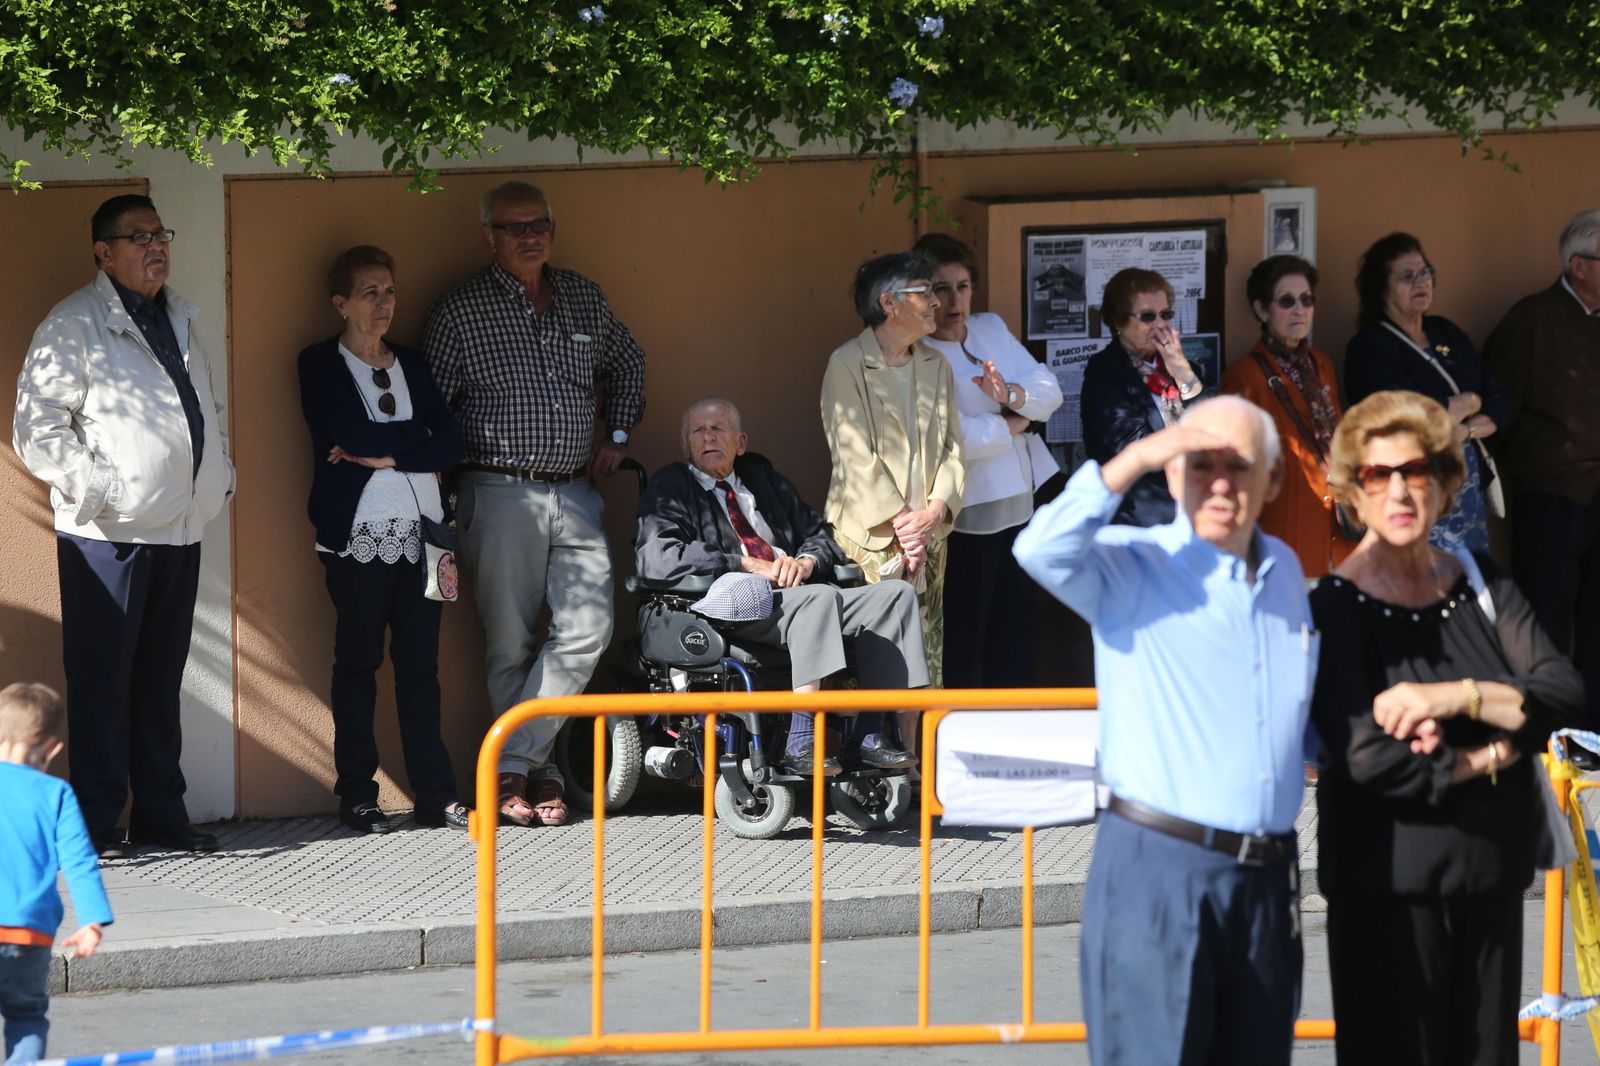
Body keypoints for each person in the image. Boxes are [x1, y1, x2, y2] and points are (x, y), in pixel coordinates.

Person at [1014, 395, 1308, 1065]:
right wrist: (1140, 454)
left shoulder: (1285, 570)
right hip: (1159, 870)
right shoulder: (1132, 562)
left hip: (1265, 877)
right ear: (1173, 474)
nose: (1222, 484)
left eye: (1240, 466)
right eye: (1200, 464)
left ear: (1272, 479)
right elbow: (1038, 548)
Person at [1309, 390, 1583, 1064]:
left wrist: (1451, 696)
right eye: (1379, 474)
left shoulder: (1478, 581)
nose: (1401, 489)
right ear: (1353, 490)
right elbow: (1368, 758)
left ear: (1446, 482)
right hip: (1385, 886)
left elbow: (1559, 692)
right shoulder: (1334, 605)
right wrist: (1495, 751)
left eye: (1419, 470)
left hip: (1488, 874)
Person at [13, 194, 235, 858]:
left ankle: (162, 815)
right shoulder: (73, 323)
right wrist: (102, 489)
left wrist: (218, 475)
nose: (155, 245)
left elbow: (205, 407)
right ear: (103, 253)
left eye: (160, 232)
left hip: (179, 527)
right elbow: (36, 428)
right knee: (104, 683)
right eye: (138, 237)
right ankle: (98, 825)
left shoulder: (180, 316)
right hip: (106, 535)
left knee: (159, 682)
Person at [424, 180, 646, 830]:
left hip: (576, 489)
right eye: (515, 227)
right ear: (489, 235)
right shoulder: (459, 311)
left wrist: (619, 436)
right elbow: (433, 409)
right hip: (497, 489)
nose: (530, 236)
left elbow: (629, 361)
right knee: (511, 644)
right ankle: (540, 776)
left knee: (588, 629)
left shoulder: (582, 296)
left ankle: (510, 764)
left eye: (539, 224)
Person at [636, 398, 924, 772]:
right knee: (818, 597)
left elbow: (821, 537)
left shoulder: (764, 481)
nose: (708, 437)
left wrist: (806, 562)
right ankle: (801, 742)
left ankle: (869, 735)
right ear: (685, 444)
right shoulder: (671, 486)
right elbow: (657, 557)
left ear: (740, 442)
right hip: (731, 606)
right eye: (699, 430)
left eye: (718, 429)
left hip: (796, 596)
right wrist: (746, 563)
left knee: (895, 596)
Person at [299, 246, 470, 835]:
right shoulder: (319, 364)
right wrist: (414, 440)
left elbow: (452, 441)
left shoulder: (415, 366)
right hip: (359, 538)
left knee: (421, 667)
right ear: (341, 303)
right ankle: (358, 794)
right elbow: (346, 431)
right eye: (370, 292)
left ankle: (435, 794)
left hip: (427, 536)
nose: (384, 304)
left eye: (390, 291)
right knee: (358, 663)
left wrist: (388, 452)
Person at [822, 250, 963, 767]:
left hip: (929, 534)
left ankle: (923, 763)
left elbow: (952, 448)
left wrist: (935, 511)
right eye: (924, 291)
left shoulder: (935, 363)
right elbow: (853, 453)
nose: (936, 302)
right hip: (872, 536)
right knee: (874, 650)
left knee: (926, 649)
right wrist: (903, 527)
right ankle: (865, 761)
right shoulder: (846, 363)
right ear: (888, 302)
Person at [914, 233, 1062, 689]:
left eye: (962, 286)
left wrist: (1011, 395)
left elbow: (1050, 391)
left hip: (1024, 501)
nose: (953, 299)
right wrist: (1018, 422)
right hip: (968, 515)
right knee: (968, 635)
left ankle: (1013, 732)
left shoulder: (990, 327)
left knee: (1017, 632)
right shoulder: (917, 355)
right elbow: (954, 440)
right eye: (940, 288)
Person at [1483, 209, 1600, 744]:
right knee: (1548, 620)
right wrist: (1537, 463)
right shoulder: (1531, 320)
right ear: (1579, 266)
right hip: (1551, 494)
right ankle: (1551, 735)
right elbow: (1500, 408)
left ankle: (1593, 734)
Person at [1344, 232, 1510, 555]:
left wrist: (1466, 428)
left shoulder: (1445, 331)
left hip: (1466, 493)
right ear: (1381, 288)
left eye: (1425, 273)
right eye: (1407, 276)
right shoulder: (1369, 348)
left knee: (1468, 587)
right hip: (1411, 492)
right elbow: (1409, 420)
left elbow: (1499, 400)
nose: (1421, 282)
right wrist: (1468, 401)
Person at [0, 683, 112, 1064]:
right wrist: (92, 921)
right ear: (53, 749)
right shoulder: (56, 794)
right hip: (29, 933)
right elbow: (80, 861)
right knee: (26, 1017)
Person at [1221, 254, 1353, 577]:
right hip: (1283, 537)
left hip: (1336, 531)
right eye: (1286, 301)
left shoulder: (1321, 365)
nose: (1300, 309)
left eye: (1306, 300)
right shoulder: (1244, 377)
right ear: (1261, 310)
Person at [1080, 267, 1211, 527]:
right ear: (1119, 322)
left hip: (1191, 510)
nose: (1160, 324)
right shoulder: (1104, 373)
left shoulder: (1185, 369)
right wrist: (1192, 449)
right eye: (1148, 316)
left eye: (1166, 315)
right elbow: (1134, 445)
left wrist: (1181, 370)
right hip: (1139, 516)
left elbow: (1209, 426)